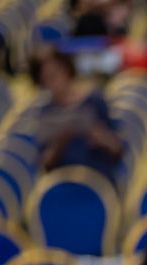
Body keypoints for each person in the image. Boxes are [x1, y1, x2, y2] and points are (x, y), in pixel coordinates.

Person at [31, 46, 122, 179]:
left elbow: (117, 149)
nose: (56, 82)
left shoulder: (94, 101)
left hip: (97, 177)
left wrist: (99, 136)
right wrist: (60, 141)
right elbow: (45, 164)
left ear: (67, 70)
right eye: (48, 78)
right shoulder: (46, 113)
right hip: (63, 180)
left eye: (57, 74)